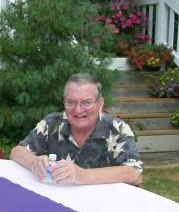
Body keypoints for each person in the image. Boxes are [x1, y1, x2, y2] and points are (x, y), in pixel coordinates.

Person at [10, 73, 143, 186]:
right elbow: (16, 152)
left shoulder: (117, 128)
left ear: (100, 104)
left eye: (86, 102)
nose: (78, 110)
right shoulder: (52, 123)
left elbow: (134, 174)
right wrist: (34, 162)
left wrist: (82, 175)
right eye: (71, 102)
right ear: (64, 103)